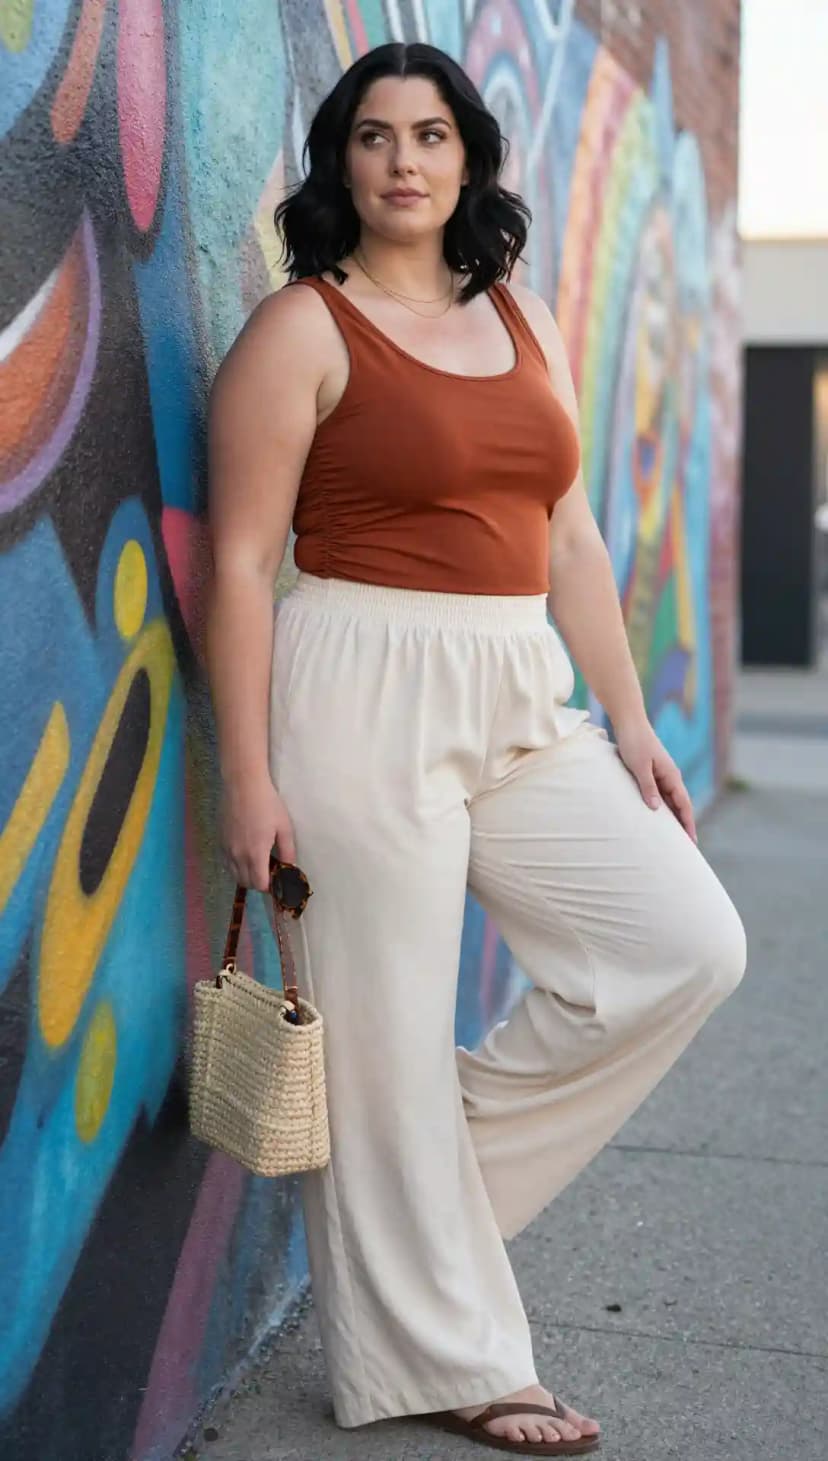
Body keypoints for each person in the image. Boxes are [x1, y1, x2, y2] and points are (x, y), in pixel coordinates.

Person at [205, 41, 747, 1458]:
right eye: (374, 136)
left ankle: (409, 1176)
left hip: (519, 685)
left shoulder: (526, 318)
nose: (403, 161)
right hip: (354, 685)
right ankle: (459, 1359)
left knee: (684, 943)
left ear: (469, 158)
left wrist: (628, 717)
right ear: (342, 160)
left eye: (431, 134)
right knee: (376, 1028)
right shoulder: (303, 331)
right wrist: (247, 776)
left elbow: (569, 535)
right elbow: (246, 562)